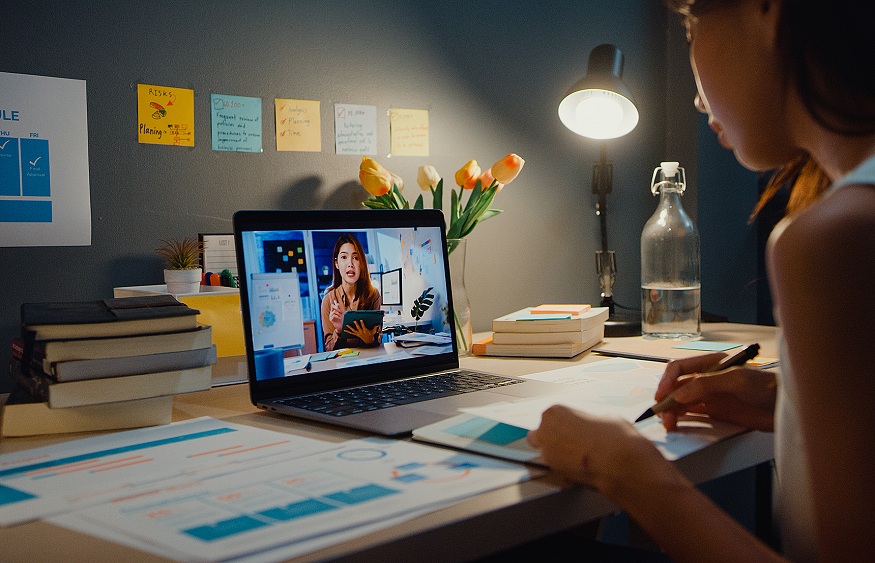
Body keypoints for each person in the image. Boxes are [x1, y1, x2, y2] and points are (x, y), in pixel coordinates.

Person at [527, 1, 875, 561]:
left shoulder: (836, 236)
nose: (696, 97)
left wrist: (625, 470)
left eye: (691, 24)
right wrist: (780, 400)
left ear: (767, 12)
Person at [320, 233, 382, 351]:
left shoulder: (373, 295)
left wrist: (370, 339)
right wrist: (338, 331)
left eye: (356, 257)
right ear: (337, 263)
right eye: (344, 257)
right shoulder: (329, 300)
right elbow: (328, 348)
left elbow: (378, 340)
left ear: (362, 263)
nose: (350, 264)